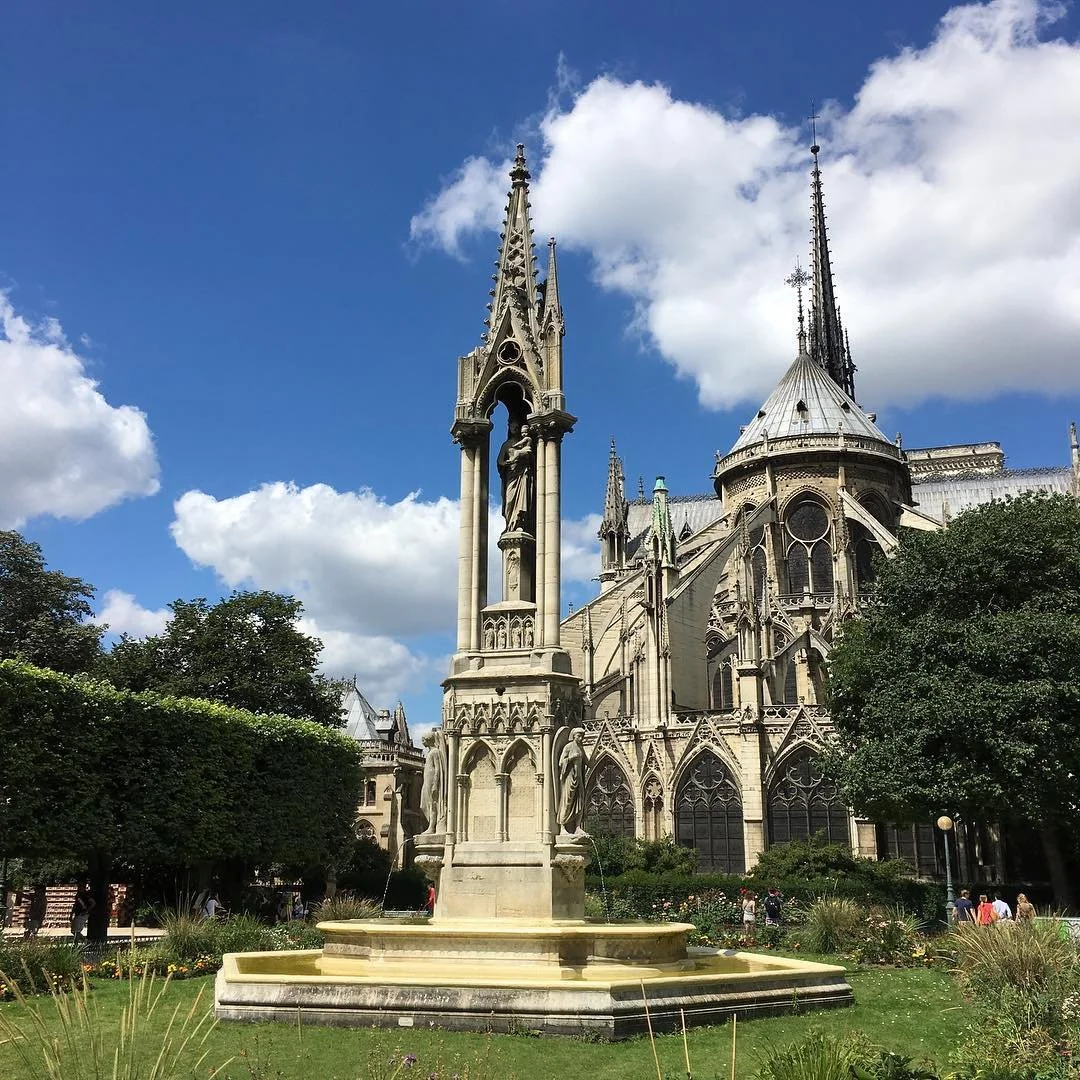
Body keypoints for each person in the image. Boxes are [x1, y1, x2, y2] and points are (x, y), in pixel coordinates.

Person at [496, 420, 533, 533]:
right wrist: (506, 463)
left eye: (517, 427)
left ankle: (519, 523)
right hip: (511, 475)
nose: (515, 429)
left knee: (522, 499)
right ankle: (509, 524)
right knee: (509, 501)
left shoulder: (524, 442)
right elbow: (500, 461)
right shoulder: (506, 445)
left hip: (521, 474)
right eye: (513, 427)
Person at [556, 728, 586, 834]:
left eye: (582, 736)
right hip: (569, 778)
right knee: (567, 801)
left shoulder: (581, 748)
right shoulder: (568, 747)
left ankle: (577, 827)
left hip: (579, 778)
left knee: (580, 802)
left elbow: (588, 763)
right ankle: (562, 828)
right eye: (579, 736)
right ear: (574, 736)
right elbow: (561, 762)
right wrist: (571, 758)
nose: (581, 738)